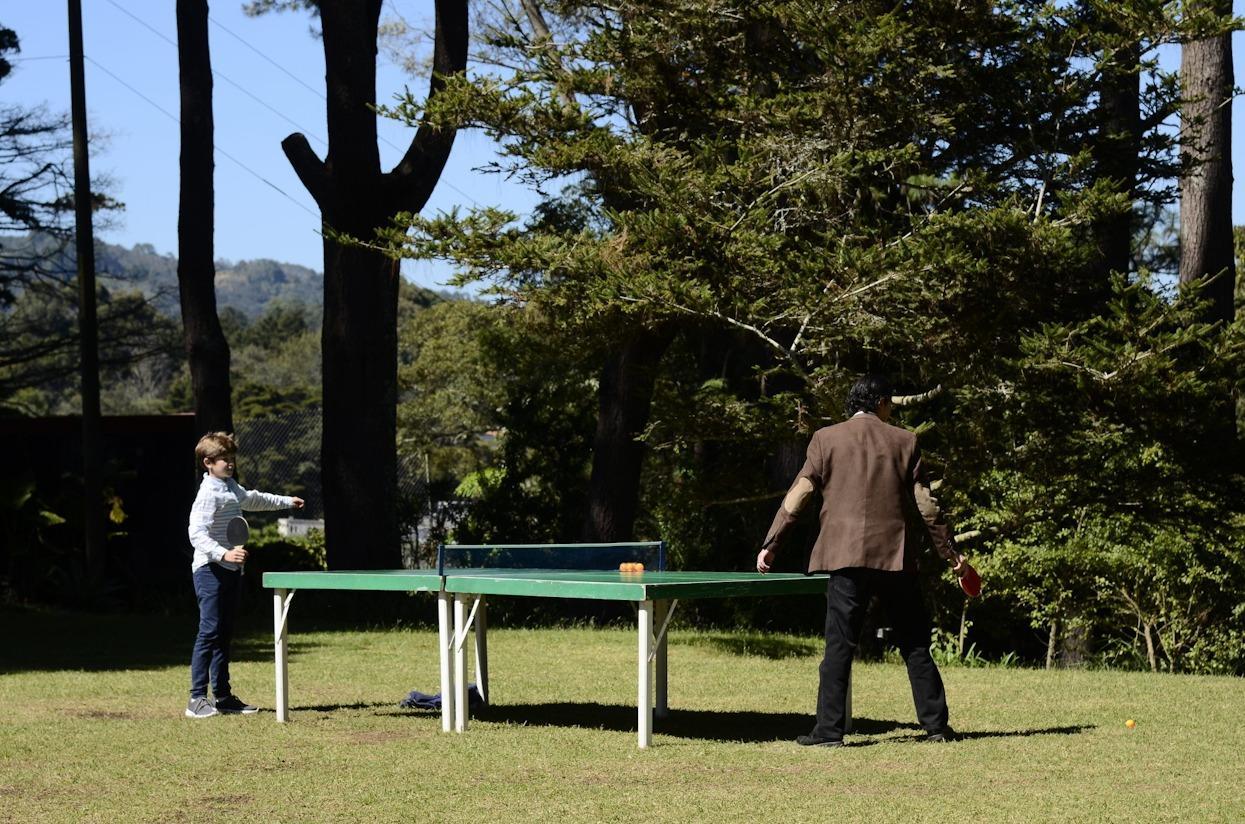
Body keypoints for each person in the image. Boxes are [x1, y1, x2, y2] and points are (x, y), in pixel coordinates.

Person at [756, 374, 975, 747]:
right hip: (895, 557)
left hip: (843, 557)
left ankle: (828, 732)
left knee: (839, 645)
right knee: (915, 643)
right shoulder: (906, 441)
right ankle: (936, 727)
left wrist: (771, 543)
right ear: (882, 404)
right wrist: (953, 556)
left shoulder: (826, 439)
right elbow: (927, 507)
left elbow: (799, 495)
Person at [185, 431, 304, 719]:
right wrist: (222, 553)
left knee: (223, 634)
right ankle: (196, 699)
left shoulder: (229, 486)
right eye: (224, 459)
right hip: (209, 570)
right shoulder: (207, 494)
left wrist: (286, 501)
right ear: (208, 463)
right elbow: (196, 533)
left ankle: (223, 697)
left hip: (229, 571)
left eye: (232, 459)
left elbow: (253, 499)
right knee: (209, 631)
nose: (230, 464)